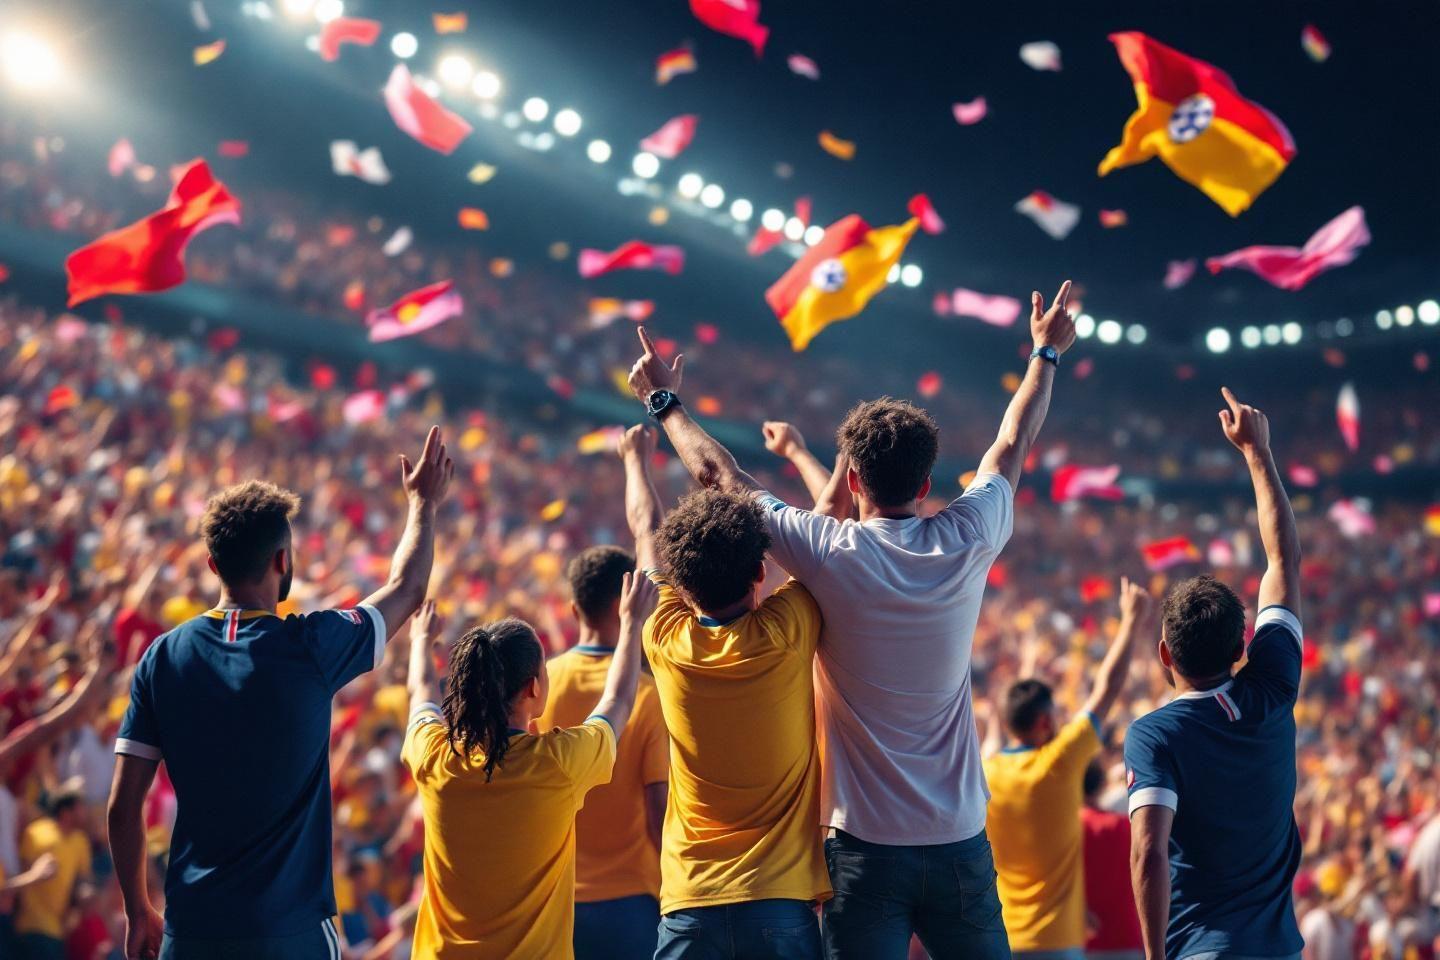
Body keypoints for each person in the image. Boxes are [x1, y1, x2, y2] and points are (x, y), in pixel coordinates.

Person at [627, 280, 1077, 958]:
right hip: (958, 838)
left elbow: (721, 480)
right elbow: (1011, 444)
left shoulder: (831, 556)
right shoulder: (969, 537)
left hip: (860, 849)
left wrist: (664, 403)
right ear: (926, 484)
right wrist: (1045, 354)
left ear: (856, 480)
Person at [107, 426, 454, 960]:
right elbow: (408, 588)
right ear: (282, 561)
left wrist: (138, 911)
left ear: (213, 566)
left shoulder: (161, 657)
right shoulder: (310, 646)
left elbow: (123, 807)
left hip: (191, 932)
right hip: (289, 935)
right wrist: (424, 504)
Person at [1126, 388, 1304, 960]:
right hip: (1280, 949)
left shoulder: (1155, 735)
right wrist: (1258, 455)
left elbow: (1148, 854)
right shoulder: (1273, 689)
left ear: (1164, 655)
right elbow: (1283, 563)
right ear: (1243, 645)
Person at [401, 566, 653, 958]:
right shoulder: (558, 764)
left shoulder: (434, 756)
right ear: (533, 687)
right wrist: (632, 623)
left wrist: (420, 641)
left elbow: (420, 693)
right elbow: (617, 700)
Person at [536, 426, 670, 960]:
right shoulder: (649, 693)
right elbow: (657, 811)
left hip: (556, 899)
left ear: (573, 611)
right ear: (626, 602)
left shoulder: (537, 685)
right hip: (633, 903)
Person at [984, 578, 1152, 960]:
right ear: (1044, 722)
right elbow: (1106, 690)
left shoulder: (987, 773)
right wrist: (1130, 621)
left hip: (1004, 940)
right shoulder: (1059, 763)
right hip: (1057, 944)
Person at [11, 785, 91, 960]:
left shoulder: (81, 842)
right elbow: (24, 872)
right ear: (65, 812)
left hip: (58, 930)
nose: (85, 811)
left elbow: (82, 882)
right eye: (80, 807)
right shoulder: (36, 832)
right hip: (31, 924)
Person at [1081, 762, 1143, 960]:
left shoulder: (1068, 830)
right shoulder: (1124, 826)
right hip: (1126, 936)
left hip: (1080, 940)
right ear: (1102, 784)